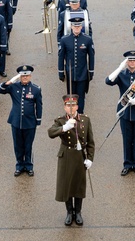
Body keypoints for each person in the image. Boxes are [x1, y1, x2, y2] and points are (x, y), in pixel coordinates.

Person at [48, 94, 94, 227]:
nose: (71, 108)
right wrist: (65, 127)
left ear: (77, 106)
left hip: (80, 155)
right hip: (67, 155)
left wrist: (90, 158)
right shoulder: (61, 120)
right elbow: (50, 132)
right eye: (68, 105)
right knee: (66, 184)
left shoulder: (85, 120)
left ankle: (78, 212)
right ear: (64, 107)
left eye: (73, 105)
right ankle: (69, 212)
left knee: (78, 184)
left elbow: (91, 142)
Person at [106, 50, 135, 177]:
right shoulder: (121, 75)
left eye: (134, 60)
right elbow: (108, 81)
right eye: (129, 60)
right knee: (126, 139)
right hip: (125, 113)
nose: (132, 63)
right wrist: (120, 67)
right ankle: (127, 164)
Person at [0, 65, 43, 176]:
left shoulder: (36, 89)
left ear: (30, 76)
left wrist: (38, 120)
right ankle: (19, 165)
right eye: (23, 76)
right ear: (20, 77)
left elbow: (39, 105)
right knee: (18, 145)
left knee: (28, 145)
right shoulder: (14, 87)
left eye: (27, 75)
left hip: (30, 122)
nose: (25, 77)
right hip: (16, 121)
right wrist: (7, 83)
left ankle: (28, 165)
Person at [57, 18, 95, 113]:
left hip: (82, 74)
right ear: (71, 26)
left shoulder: (87, 39)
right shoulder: (65, 39)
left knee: (81, 96)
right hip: (70, 73)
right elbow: (61, 57)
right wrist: (61, 71)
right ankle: (71, 115)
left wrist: (91, 71)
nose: (77, 28)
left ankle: (80, 115)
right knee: (71, 97)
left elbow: (91, 56)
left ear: (81, 27)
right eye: (75, 26)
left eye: (78, 26)